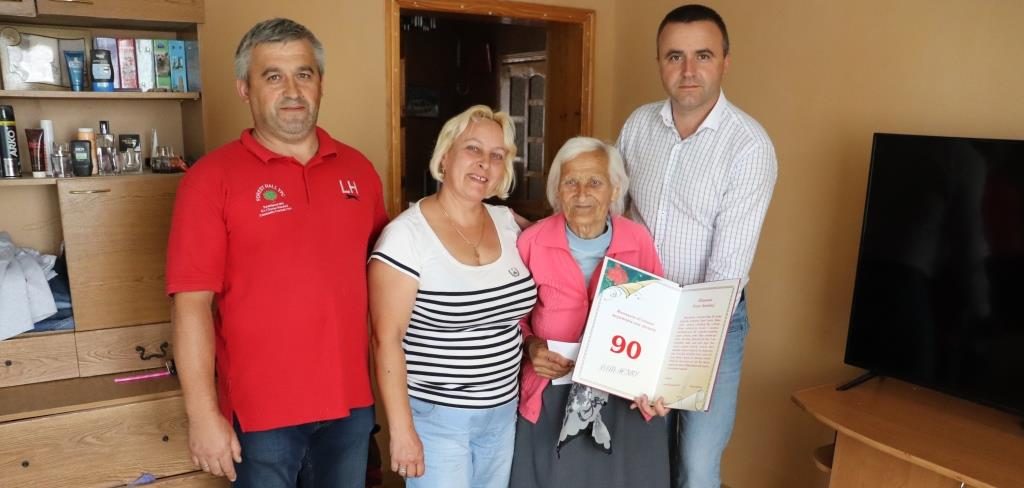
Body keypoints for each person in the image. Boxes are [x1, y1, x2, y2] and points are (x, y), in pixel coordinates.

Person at [166, 18, 388, 487]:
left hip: (350, 405)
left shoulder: (359, 170)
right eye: (273, 77)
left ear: (320, 82)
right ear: (245, 89)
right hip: (262, 415)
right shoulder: (210, 180)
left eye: (303, 74)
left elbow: (390, 275)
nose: (292, 91)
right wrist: (202, 415)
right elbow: (191, 305)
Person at [616, 5, 778, 487]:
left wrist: (671, 367)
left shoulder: (748, 147)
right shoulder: (637, 126)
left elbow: (724, 275)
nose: (688, 70)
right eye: (675, 56)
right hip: (640, 310)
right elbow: (612, 219)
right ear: (660, 63)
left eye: (702, 55)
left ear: (725, 62)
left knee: (696, 463)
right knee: (641, 453)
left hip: (713, 321)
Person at [369, 105, 537, 488]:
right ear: (445, 156)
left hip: (503, 413)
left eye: (497, 155)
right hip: (437, 419)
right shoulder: (406, 237)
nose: (484, 163)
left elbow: (562, 258)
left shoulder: (509, 224)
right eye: (472, 148)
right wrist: (402, 430)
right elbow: (385, 339)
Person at [508, 137, 671, 488]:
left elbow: (661, 320)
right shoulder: (532, 242)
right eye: (571, 181)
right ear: (557, 190)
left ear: (615, 189)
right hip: (552, 392)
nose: (582, 193)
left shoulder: (638, 240)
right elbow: (511, 319)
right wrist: (532, 346)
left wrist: (661, 385)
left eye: (595, 182)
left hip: (625, 393)